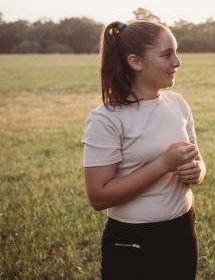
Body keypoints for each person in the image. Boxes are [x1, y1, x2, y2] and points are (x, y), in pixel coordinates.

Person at [82, 20, 206, 280]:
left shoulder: (178, 104)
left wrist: (196, 172)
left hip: (183, 229)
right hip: (133, 242)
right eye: (166, 54)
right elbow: (98, 196)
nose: (177, 62)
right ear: (135, 62)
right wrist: (163, 165)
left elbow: (199, 163)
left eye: (176, 52)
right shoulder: (107, 118)